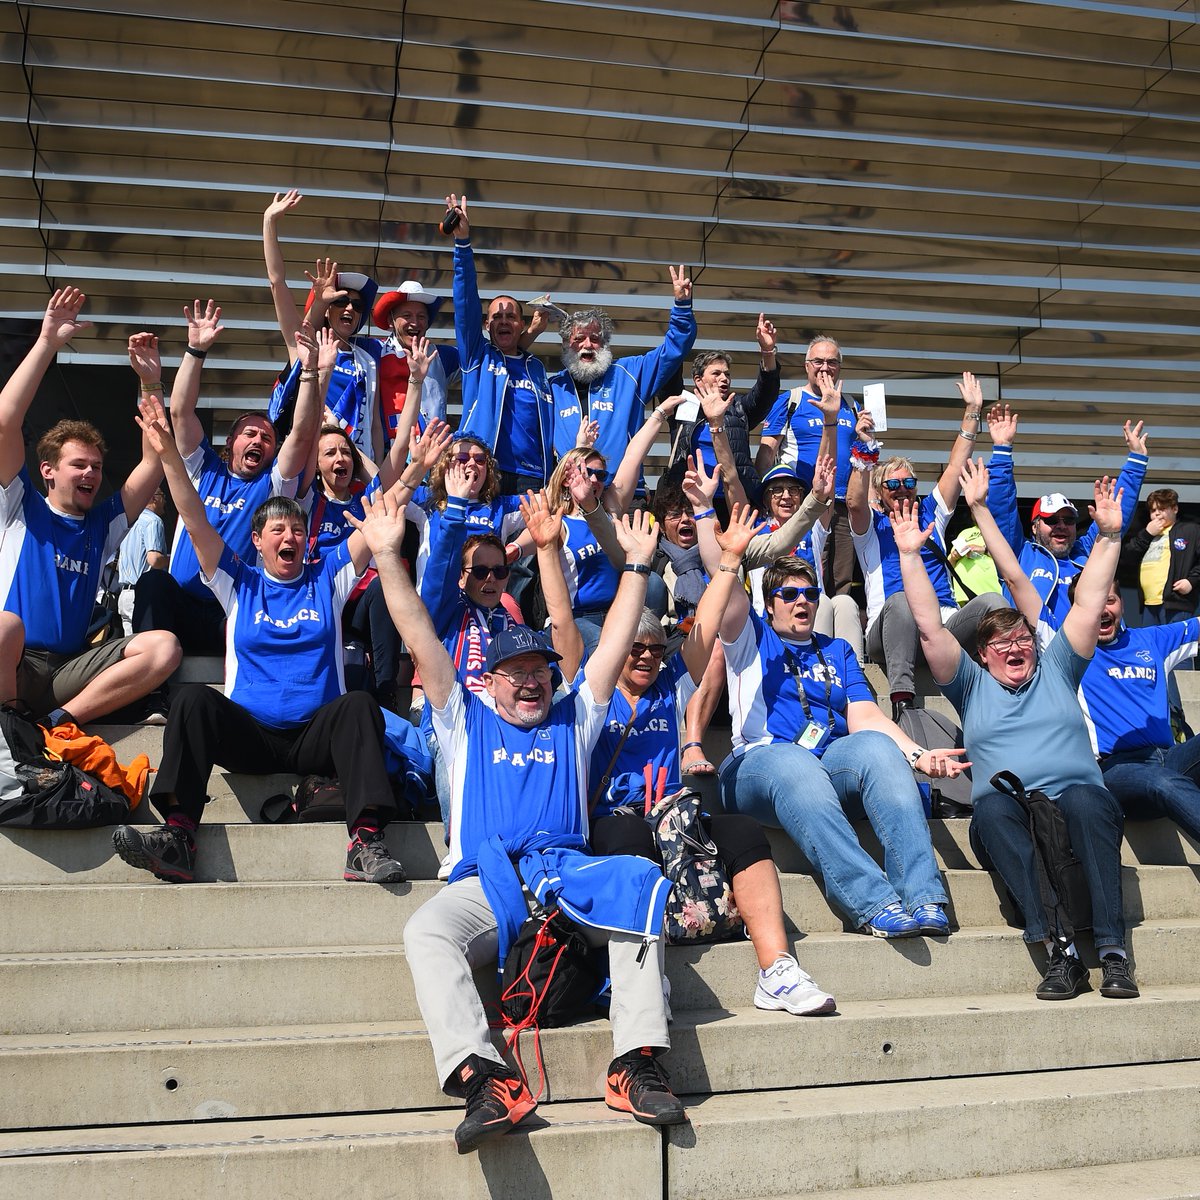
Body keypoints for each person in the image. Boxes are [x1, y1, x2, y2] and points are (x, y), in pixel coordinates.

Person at [361, 493, 685, 1152]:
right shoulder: (462, 719)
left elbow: (616, 639)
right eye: (514, 672)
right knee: (427, 930)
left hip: (568, 869)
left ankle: (637, 1064)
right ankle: (484, 1077)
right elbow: (418, 631)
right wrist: (387, 558)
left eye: (538, 670)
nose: (530, 681)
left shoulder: (576, 718)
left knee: (639, 883)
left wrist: (636, 569)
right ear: (490, 680)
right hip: (489, 879)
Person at [113, 340, 405, 887]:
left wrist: (416, 473)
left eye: (297, 529)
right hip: (250, 734)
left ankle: (365, 841)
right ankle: (178, 835)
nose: (290, 535)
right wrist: (168, 453)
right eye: (278, 530)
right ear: (258, 541)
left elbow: (384, 513)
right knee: (194, 699)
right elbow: (194, 516)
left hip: (313, 736)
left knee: (360, 704)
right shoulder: (235, 580)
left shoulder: (329, 575)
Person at [892, 478, 1138, 1002]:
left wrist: (1110, 537)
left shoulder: (1059, 666)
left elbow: (1090, 602)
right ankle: (1060, 950)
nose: (1015, 647)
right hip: (1006, 803)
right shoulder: (970, 683)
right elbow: (931, 630)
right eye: (1001, 642)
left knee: (1090, 802)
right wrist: (911, 556)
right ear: (982, 654)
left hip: (1075, 795)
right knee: (994, 814)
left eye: (1022, 637)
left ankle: (1114, 955)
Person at [589, 505, 836, 1016]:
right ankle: (643, 977)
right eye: (634, 648)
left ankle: (777, 970)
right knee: (626, 839)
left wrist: (728, 561)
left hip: (671, 813)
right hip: (615, 817)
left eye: (655, 649)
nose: (645, 657)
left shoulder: (671, 688)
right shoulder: (591, 693)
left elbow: (703, 629)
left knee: (744, 831)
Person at [701, 457, 960, 938]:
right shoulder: (749, 636)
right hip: (757, 766)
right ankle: (871, 901)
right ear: (770, 601)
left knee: (880, 749)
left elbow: (863, 715)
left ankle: (923, 895)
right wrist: (708, 522)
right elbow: (724, 597)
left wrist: (917, 755)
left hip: (826, 760)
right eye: (790, 595)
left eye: (810, 594)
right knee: (794, 764)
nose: (802, 601)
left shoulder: (838, 649)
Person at [0, 289, 180, 725]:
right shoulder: (20, 503)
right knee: (4, 627)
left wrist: (151, 383)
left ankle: (58, 723)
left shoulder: (103, 522)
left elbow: (155, 461)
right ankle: (7, 724)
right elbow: (6, 417)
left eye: (96, 467)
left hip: (67, 671)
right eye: (78, 465)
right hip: (14, 665)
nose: (91, 474)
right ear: (47, 470)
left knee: (164, 647)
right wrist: (46, 343)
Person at [133, 299, 319, 654]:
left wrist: (310, 373)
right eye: (250, 434)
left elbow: (302, 434)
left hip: (232, 612)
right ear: (231, 442)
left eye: (267, 439)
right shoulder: (202, 468)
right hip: (183, 607)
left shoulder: (273, 486)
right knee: (153, 583)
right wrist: (195, 350)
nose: (259, 441)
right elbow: (181, 411)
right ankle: (148, 690)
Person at [848, 372, 1006, 720]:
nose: (902, 488)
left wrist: (973, 412)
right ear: (881, 490)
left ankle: (1003, 691)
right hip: (890, 633)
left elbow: (954, 466)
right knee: (903, 601)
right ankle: (902, 702)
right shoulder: (872, 526)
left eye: (909, 482)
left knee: (994, 603)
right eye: (893, 483)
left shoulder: (930, 514)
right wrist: (863, 448)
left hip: (943, 626)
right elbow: (854, 503)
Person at [985, 402, 1148, 626]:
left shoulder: (1088, 553)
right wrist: (1002, 450)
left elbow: (1118, 515)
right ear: (1034, 526)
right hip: (1038, 652)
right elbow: (1002, 508)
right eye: (1052, 520)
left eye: (1068, 520)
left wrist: (1136, 461)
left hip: (1093, 655)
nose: (1061, 525)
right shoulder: (1019, 554)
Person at [1074, 574, 1200, 847]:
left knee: (1168, 776)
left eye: (1110, 600)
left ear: (1121, 604)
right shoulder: (1071, 654)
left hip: (1172, 758)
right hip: (1118, 771)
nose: (1103, 609)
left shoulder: (1152, 639)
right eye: (1094, 602)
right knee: (1164, 781)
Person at [262, 190, 383, 459]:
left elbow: (374, 424)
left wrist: (379, 473)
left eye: (357, 305)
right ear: (327, 311)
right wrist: (269, 222)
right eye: (341, 301)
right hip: (306, 462)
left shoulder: (368, 359)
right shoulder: (306, 347)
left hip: (353, 464)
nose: (350, 307)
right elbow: (277, 282)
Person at [448, 193, 556, 493]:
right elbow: (466, 302)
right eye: (497, 316)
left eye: (511, 316)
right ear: (486, 325)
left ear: (521, 324)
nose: (504, 321)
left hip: (534, 478)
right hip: (485, 469)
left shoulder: (536, 368)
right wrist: (463, 245)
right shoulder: (477, 358)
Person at [549, 270, 696, 472]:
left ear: (605, 344)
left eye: (595, 338)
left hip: (622, 490)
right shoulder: (553, 387)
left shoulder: (629, 373)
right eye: (579, 338)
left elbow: (673, 351)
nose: (588, 344)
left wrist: (682, 306)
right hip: (568, 490)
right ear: (566, 344)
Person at [755, 334, 858, 596]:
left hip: (844, 503)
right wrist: (764, 498)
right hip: (804, 505)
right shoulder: (790, 400)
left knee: (840, 579)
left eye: (832, 362)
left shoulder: (850, 404)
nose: (825, 368)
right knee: (804, 573)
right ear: (806, 365)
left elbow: (859, 456)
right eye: (818, 361)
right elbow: (766, 453)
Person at [676, 316, 781, 503]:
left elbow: (767, 392)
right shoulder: (683, 407)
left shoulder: (739, 408)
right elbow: (669, 365)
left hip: (735, 499)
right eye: (716, 373)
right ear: (698, 380)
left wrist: (767, 352)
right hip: (692, 501)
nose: (724, 378)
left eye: (727, 374)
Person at [370, 280, 461, 437]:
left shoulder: (442, 356)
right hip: (387, 454)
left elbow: (479, 358)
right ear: (391, 320)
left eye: (421, 316)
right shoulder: (373, 351)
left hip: (433, 454)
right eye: (406, 316)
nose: (414, 322)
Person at [1120, 488, 1200, 627]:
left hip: (1176, 603)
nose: (1157, 513)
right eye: (1153, 510)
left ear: (1174, 509)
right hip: (1148, 603)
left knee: (1175, 646)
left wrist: (1191, 581)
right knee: (1153, 646)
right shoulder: (1148, 534)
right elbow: (1127, 556)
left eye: (1162, 508)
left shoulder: (1190, 530)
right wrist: (1147, 534)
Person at [116, 486, 167, 637]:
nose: (165, 501)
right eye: (163, 495)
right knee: (147, 646)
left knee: (130, 647)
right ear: (153, 498)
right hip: (141, 595)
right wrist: (174, 560)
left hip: (124, 595)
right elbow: (154, 560)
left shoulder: (129, 522)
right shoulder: (153, 521)